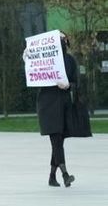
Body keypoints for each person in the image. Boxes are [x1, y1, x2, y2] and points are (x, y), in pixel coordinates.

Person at [38, 33, 89, 187]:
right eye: (58, 39)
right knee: (56, 139)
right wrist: (26, 57)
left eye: (64, 39)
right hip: (48, 104)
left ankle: (52, 177)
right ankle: (65, 174)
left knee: (58, 141)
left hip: (64, 104)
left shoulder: (70, 60)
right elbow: (33, 71)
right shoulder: (45, 59)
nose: (62, 41)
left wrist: (68, 85)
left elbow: (75, 82)